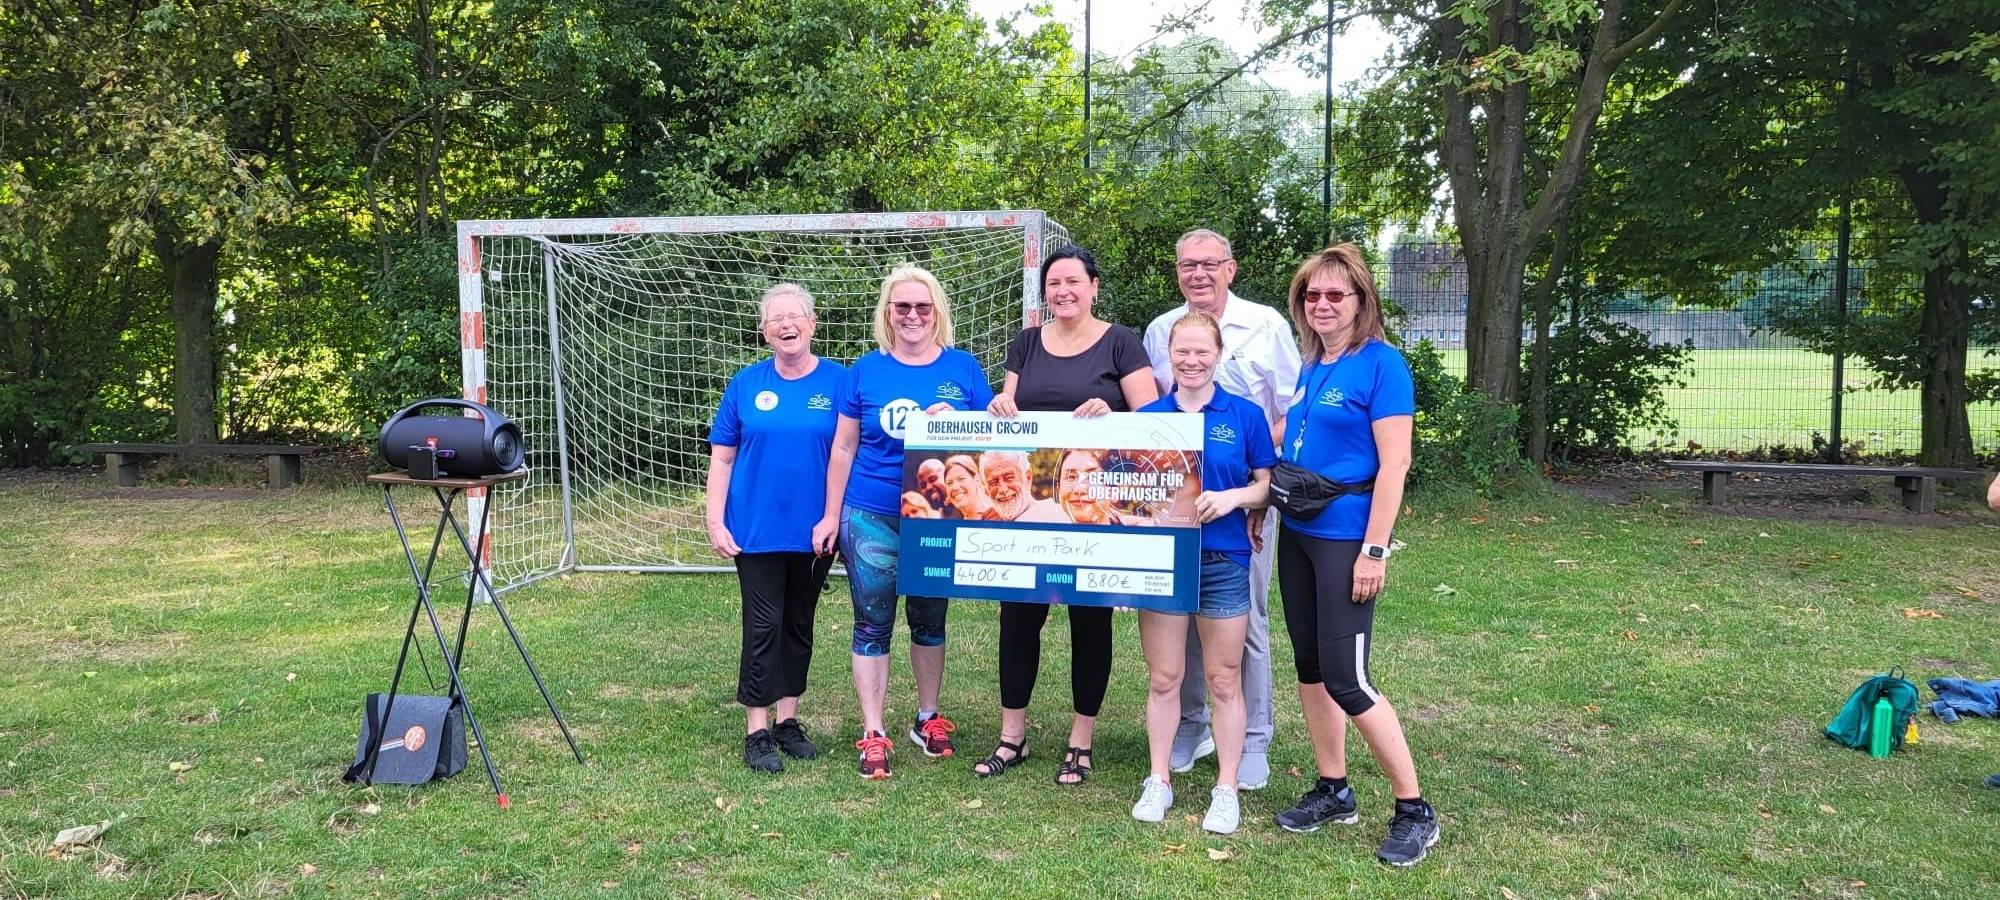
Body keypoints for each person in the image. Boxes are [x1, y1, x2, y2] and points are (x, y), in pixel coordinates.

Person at [1272, 243, 1438, 866]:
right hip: (1300, 534)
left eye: (1335, 295)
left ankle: (1414, 808)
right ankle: (1334, 788)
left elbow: (1395, 464)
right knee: (1311, 668)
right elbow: (1292, 434)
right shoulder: (1313, 364)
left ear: (1361, 300)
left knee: (1349, 677)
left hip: (1348, 539)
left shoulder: (1383, 365)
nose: (1322, 304)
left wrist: (1374, 550)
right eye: (1312, 295)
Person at [977, 244, 1158, 783]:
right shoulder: (1027, 343)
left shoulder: (1121, 342)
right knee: (1019, 620)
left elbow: (1151, 426)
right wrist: (999, 406)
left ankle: (1081, 741)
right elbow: (1008, 415)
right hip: (1035, 512)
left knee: (1090, 621)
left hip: (1092, 510)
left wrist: (1115, 411)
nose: (1064, 291)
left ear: (1094, 286)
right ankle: (1013, 737)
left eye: (1074, 282)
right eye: (1054, 283)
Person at [812, 264, 995, 780]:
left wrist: (960, 423)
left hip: (937, 516)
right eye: (902, 307)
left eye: (922, 306)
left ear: (937, 312)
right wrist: (830, 515)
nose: (913, 315)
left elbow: (990, 440)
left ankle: (926, 717)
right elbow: (844, 446)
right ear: (887, 315)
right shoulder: (865, 370)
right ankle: (873, 730)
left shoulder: (963, 368)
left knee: (930, 618)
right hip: (871, 512)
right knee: (873, 621)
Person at [1142, 228, 1301, 791]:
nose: (1199, 274)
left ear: (1230, 268)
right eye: (1189, 264)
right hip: (1174, 511)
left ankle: (1254, 736)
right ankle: (1190, 726)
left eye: (1210, 263)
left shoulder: (1266, 325)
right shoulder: (1161, 329)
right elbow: (1154, 421)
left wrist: (1256, 487)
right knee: (1177, 618)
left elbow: (1289, 409)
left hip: (1243, 503)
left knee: (1245, 619)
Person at [1129, 311, 1275, 834]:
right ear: (1169, 354)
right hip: (1164, 566)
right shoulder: (1147, 417)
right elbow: (1126, 500)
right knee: (1165, 677)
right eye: (1182, 352)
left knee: (1222, 678)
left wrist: (1234, 497)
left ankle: (1227, 787)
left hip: (1222, 560)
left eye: (1202, 352)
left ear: (1218, 356)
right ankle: (1158, 779)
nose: (1191, 361)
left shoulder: (1245, 415)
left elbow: (1267, 484)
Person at [705, 283, 845, 773]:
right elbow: (721, 459)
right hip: (756, 530)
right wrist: (714, 519)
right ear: (764, 331)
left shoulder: (840, 383)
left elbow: (852, 454)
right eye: (775, 319)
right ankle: (757, 730)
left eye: (795, 316)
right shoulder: (745, 384)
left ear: (812, 323)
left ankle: (788, 720)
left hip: (816, 531)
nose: (786, 325)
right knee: (763, 626)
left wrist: (836, 518)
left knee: (798, 624)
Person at [940, 454, 995, 519]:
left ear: (977, 479)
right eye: (949, 483)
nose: (955, 487)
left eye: (961, 479)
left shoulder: (994, 517)